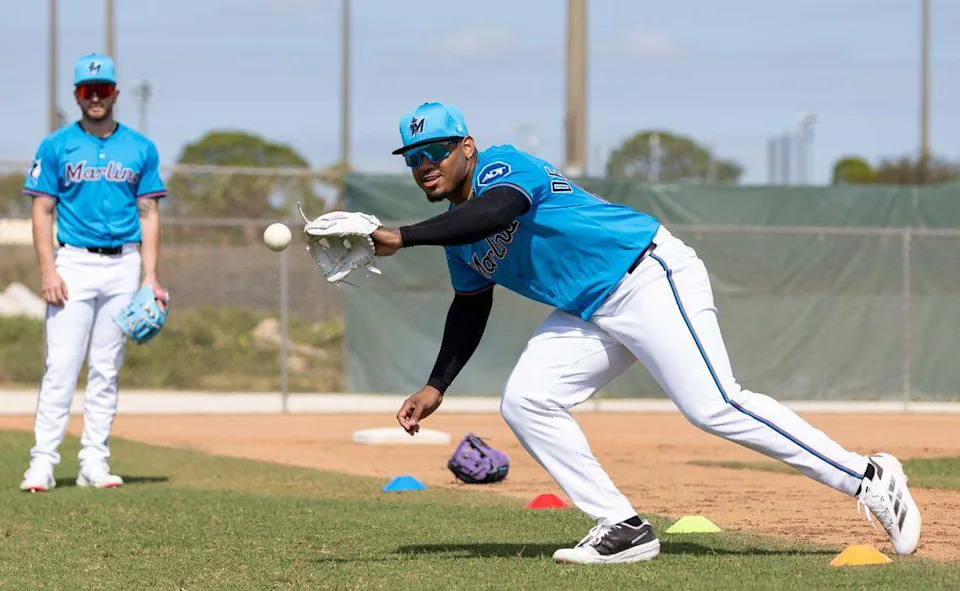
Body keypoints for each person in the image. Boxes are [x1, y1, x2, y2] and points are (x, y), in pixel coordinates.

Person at [370, 102, 921, 564]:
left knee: (716, 406)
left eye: (434, 151)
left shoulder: (502, 168)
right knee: (527, 400)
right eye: (413, 158)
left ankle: (869, 477)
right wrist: (436, 384)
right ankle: (622, 526)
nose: (424, 165)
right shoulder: (456, 235)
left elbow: (497, 211)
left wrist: (403, 236)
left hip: (645, 274)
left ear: (466, 146)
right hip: (589, 310)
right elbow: (470, 304)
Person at [19, 53, 167, 492]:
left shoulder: (140, 148)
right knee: (61, 366)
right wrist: (48, 269)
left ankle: (94, 462)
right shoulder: (57, 145)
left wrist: (149, 276)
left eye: (103, 89)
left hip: (124, 264)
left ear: (116, 93)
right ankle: (42, 463)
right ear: (77, 95)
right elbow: (42, 209)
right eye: (88, 89)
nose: (96, 96)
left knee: (107, 367)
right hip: (74, 262)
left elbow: (149, 213)